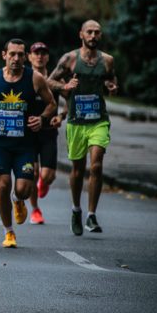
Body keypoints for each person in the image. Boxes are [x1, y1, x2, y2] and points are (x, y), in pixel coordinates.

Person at [0, 39, 56, 248]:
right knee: (3, 184)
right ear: (4, 55)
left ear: (25, 57)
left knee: (23, 189)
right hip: (0, 143)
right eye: (12, 54)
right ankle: (9, 232)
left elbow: (51, 104)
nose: (16, 59)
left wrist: (41, 118)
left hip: (25, 145)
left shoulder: (35, 79)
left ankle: (18, 199)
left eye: (20, 55)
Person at [47, 20, 118, 236]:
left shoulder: (107, 60)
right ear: (81, 35)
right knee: (77, 169)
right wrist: (65, 86)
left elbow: (111, 79)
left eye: (97, 32)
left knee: (95, 166)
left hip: (98, 120)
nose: (94, 36)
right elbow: (49, 81)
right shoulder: (69, 59)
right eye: (90, 32)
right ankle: (76, 209)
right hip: (76, 121)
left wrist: (112, 86)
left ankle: (91, 215)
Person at [27, 42, 61, 223]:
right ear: (29, 57)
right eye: (36, 53)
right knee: (32, 172)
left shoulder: (55, 80)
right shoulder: (25, 78)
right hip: (30, 131)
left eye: (43, 53)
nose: (39, 56)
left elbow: (69, 100)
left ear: (48, 57)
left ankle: (43, 182)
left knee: (48, 176)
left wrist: (61, 116)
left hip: (48, 131)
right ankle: (35, 209)